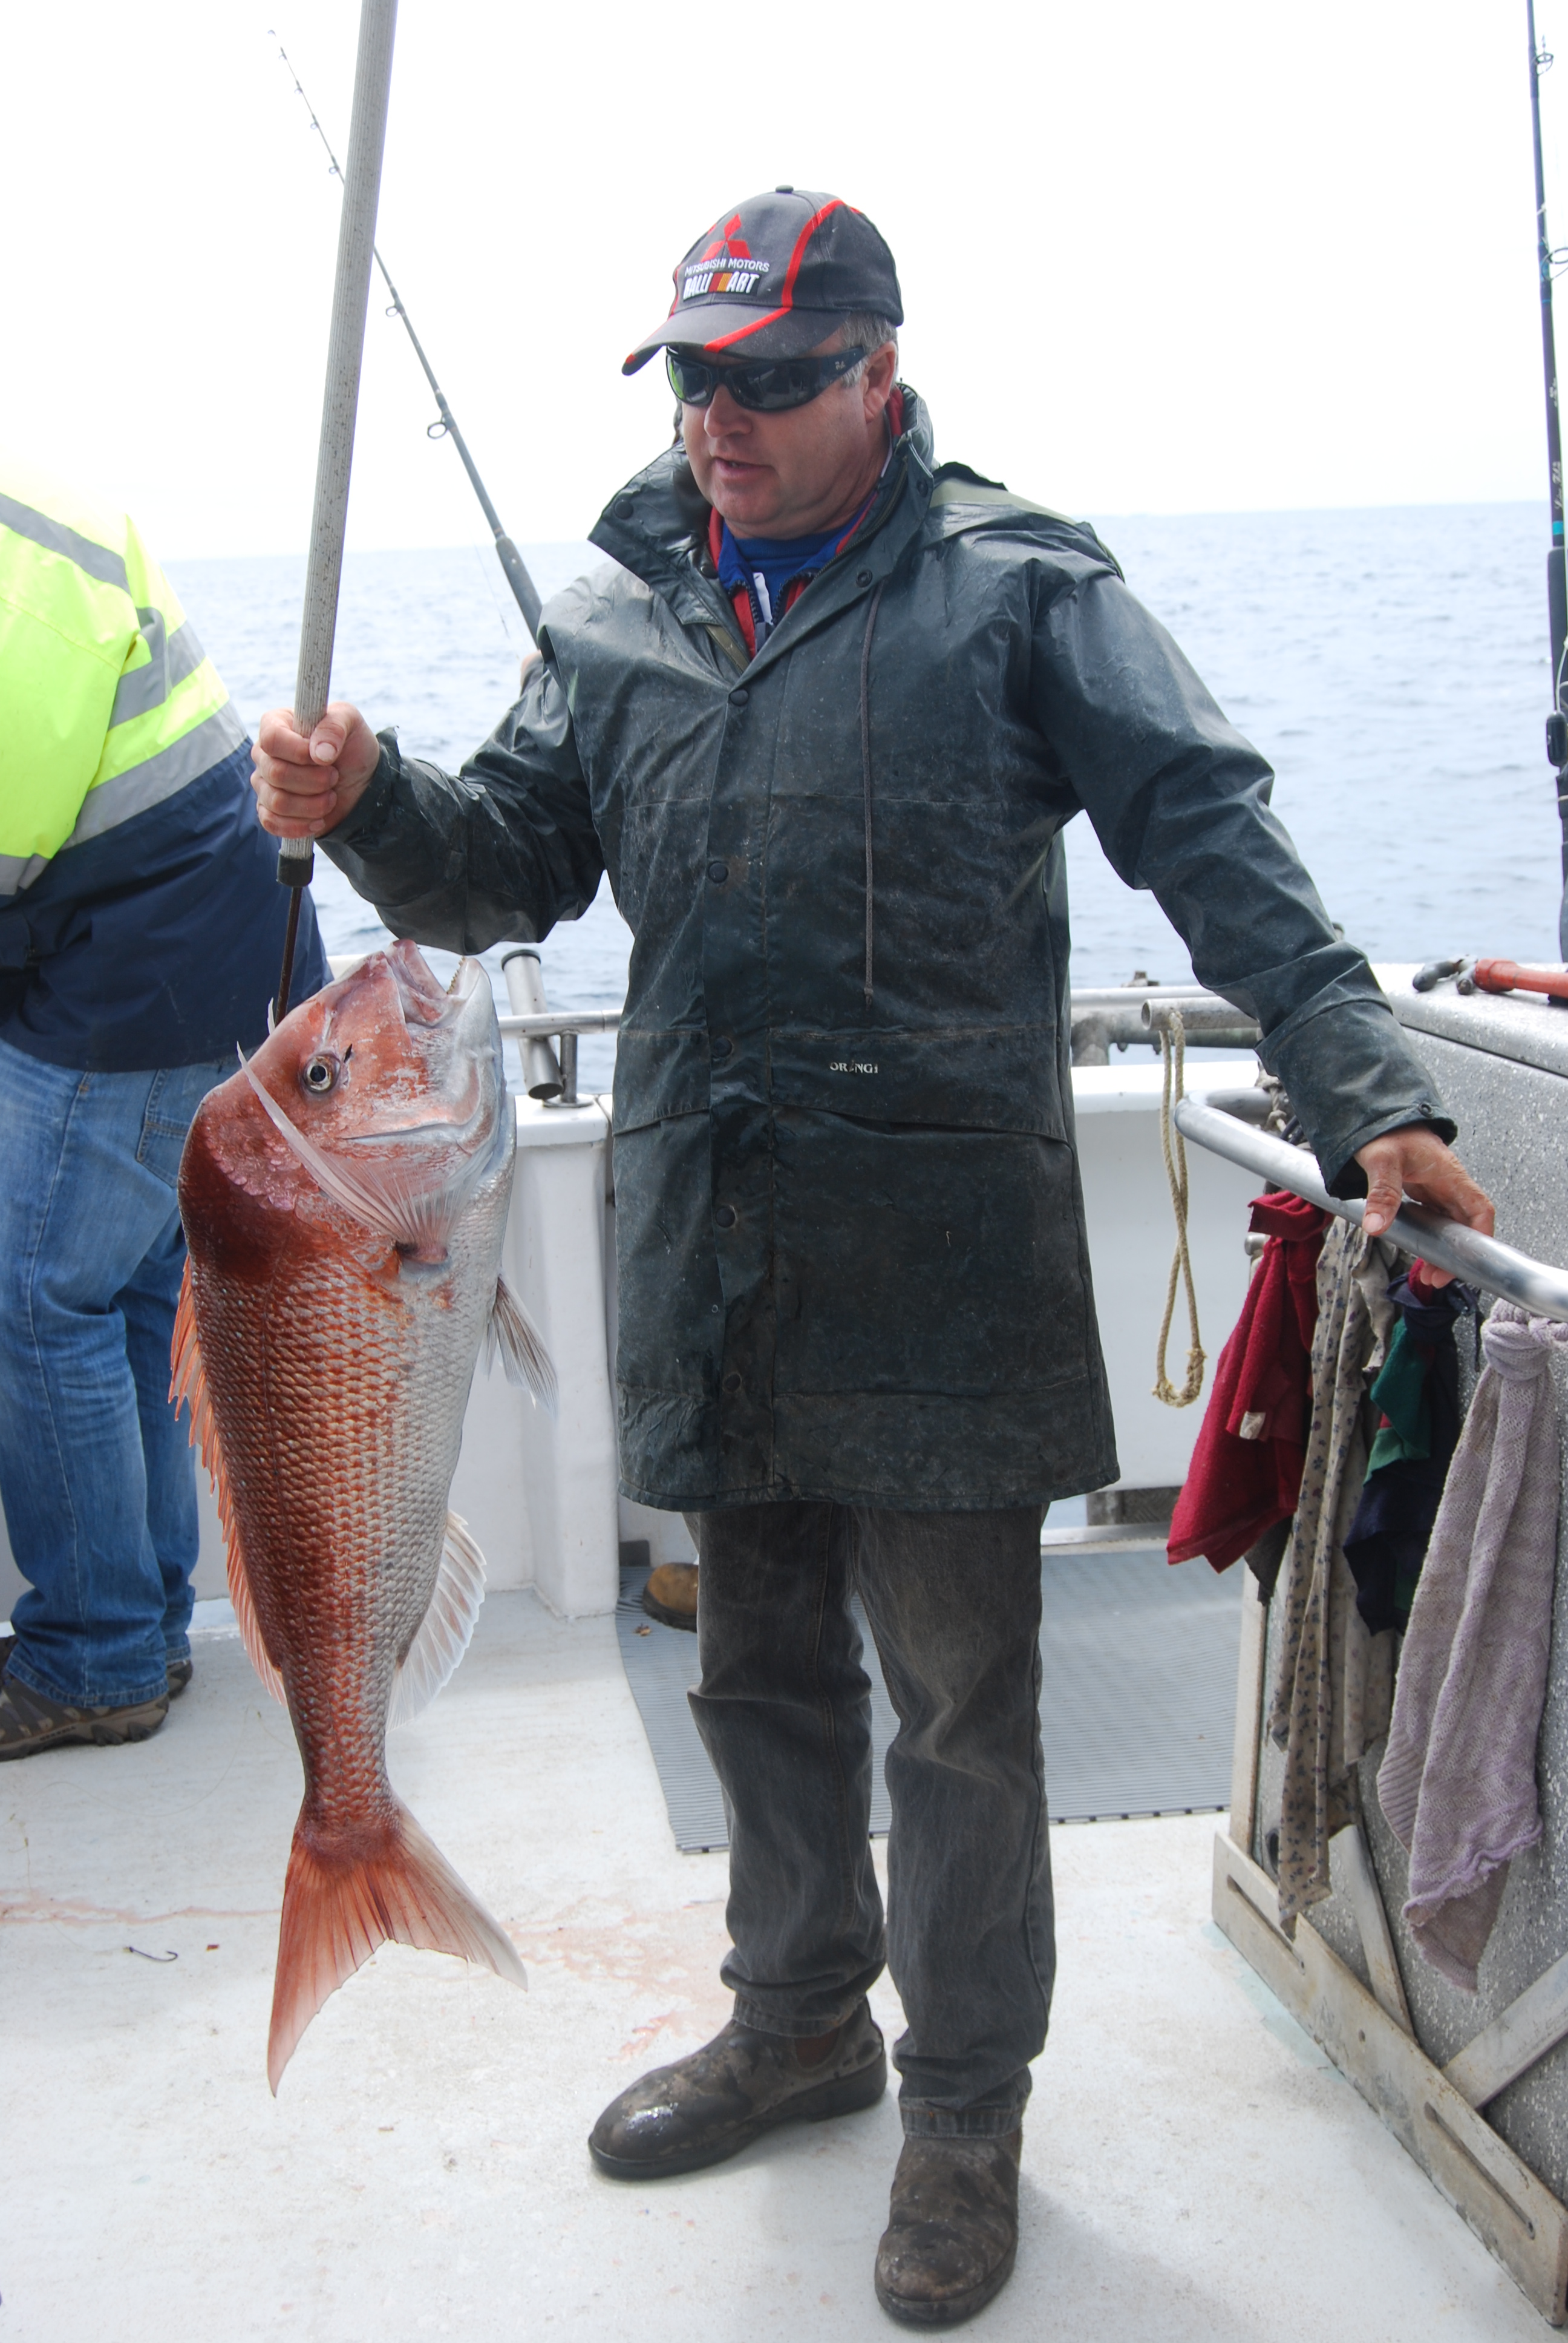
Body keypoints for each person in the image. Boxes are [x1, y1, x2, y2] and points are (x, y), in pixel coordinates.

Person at [249, 190, 1494, 2327]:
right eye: (693, 377)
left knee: (963, 1714)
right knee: (753, 1672)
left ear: (877, 377)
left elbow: (1208, 831)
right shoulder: (621, 603)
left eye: (766, 378)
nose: (717, 418)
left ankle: (966, 2113)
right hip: (716, 1244)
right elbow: (507, 871)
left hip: (945, 1262)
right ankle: (800, 2015)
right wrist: (368, 799)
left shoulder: (1024, 590)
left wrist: (1365, 1084)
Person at [0, 458, 327, 1760]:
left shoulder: (17, 602)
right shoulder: (43, 527)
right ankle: (146, 1620)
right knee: (134, 1293)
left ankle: (96, 1657)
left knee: (43, 1301)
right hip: (227, 948)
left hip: (138, 975)